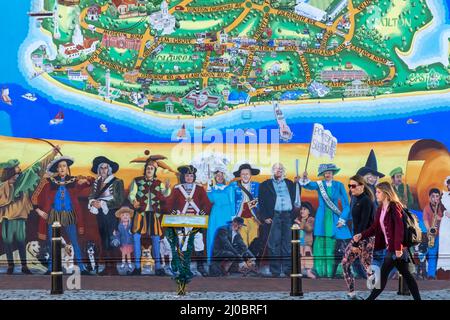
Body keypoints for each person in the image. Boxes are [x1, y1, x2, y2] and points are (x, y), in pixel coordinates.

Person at [353, 182, 421, 300]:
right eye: (376, 192)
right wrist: (361, 235)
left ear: (386, 193)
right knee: (405, 276)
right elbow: (375, 227)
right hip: (392, 249)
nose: (376, 194)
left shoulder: (395, 206)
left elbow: (399, 228)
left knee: (387, 276)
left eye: (379, 192)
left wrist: (398, 248)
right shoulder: (380, 209)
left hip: (396, 249)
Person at [0, 148, 59, 274]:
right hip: (8, 218)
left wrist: (52, 154)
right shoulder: (4, 185)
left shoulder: (23, 182)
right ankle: (10, 266)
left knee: (21, 242)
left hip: (20, 218)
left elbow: (39, 167)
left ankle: (24, 266)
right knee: (8, 243)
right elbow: (3, 200)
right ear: (10, 173)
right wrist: (10, 187)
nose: (18, 174)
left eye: (19, 172)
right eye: (16, 172)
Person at [32, 156, 91, 275]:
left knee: (74, 241)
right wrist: (38, 210)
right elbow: (34, 196)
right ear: (57, 169)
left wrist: (85, 180)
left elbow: (90, 181)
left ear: (67, 168)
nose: (62, 168)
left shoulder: (74, 181)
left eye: (64, 166)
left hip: (69, 215)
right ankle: (51, 268)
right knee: (53, 242)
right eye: (59, 166)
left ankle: (82, 268)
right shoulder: (49, 182)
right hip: (54, 215)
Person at [300, 163, 351, 278]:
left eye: (330, 172)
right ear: (323, 174)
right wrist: (304, 179)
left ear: (333, 173)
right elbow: (309, 185)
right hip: (322, 217)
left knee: (333, 244)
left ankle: (332, 272)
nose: (327, 174)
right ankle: (320, 271)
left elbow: (346, 205)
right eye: (325, 172)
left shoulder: (339, 185)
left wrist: (342, 219)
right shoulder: (319, 184)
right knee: (320, 244)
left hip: (334, 217)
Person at [165, 165, 211, 277]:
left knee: (198, 242)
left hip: (196, 220)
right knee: (183, 242)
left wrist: (204, 211)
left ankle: (200, 266)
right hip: (182, 220)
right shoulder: (177, 189)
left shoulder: (199, 189)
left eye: (191, 175)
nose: (189, 177)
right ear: (183, 176)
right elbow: (170, 203)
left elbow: (206, 203)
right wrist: (173, 211)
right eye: (187, 175)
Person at [128, 156, 171, 276]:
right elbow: (132, 194)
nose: (149, 170)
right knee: (136, 237)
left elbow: (165, 194)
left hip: (154, 214)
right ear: (145, 169)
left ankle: (158, 267)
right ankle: (137, 267)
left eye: (152, 168)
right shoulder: (137, 181)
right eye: (148, 168)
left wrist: (167, 188)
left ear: (154, 171)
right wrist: (133, 201)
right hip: (140, 213)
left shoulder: (159, 183)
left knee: (156, 239)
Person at [258, 163, 301, 277]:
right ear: (272, 171)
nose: (279, 170)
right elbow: (261, 203)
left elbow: (297, 198)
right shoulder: (265, 185)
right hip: (274, 216)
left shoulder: (290, 183)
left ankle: (287, 270)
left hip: (287, 215)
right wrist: (264, 217)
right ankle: (275, 271)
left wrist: (298, 184)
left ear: (284, 171)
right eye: (276, 169)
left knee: (287, 243)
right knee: (274, 244)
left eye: (281, 169)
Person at [88, 156, 125, 275]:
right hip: (100, 214)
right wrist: (93, 202)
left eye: (105, 168)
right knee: (104, 239)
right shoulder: (96, 182)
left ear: (109, 169)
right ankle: (106, 267)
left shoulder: (118, 182)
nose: (103, 170)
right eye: (101, 168)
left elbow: (119, 200)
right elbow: (92, 195)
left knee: (113, 239)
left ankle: (113, 267)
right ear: (99, 170)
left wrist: (103, 203)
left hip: (112, 214)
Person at [341, 175, 376, 300]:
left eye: (354, 186)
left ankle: (375, 291)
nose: (351, 188)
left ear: (362, 186)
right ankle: (351, 293)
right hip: (357, 236)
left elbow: (363, 223)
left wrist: (356, 243)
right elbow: (356, 223)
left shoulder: (366, 201)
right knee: (345, 263)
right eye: (349, 186)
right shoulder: (354, 199)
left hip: (366, 237)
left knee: (367, 266)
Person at [229, 163, 261, 247]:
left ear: (250, 174)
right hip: (240, 219)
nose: (245, 176)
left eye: (247, 174)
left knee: (253, 240)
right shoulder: (234, 186)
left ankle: (251, 258)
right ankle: (244, 259)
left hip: (253, 218)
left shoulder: (257, 185)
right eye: (243, 174)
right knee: (242, 241)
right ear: (240, 175)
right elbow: (231, 201)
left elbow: (261, 200)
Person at [206, 167, 233, 264]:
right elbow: (210, 200)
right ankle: (213, 263)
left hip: (228, 214)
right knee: (213, 236)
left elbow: (232, 201)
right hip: (216, 215)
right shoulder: (211, 189)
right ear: (215, 177)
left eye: (222, 175)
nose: (220, 177)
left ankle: (228, 265)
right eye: (218, 175)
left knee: (228, 238)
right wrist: (209, 188)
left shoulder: (230, 188)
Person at [423, 188, 445, 279]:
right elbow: (425, 220)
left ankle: (441, 274)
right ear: (429, 197)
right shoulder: (427, 208)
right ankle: (431, 275)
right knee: (432, 254)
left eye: (437, 196)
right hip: (433, 235)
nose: (435, 198)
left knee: (442, 255)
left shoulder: (443, 206)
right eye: (433, 196)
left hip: (444, 235)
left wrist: (441, 218)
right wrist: (429, 231)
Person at [294, 201, 316, 279]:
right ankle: (300, 270)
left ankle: (309, 272)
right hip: (300, 243)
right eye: (301, 209)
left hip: (307, 243)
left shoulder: (311, 219)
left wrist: (301, 221)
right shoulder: (299, 219)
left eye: (304, 209)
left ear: (309, 211)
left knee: (308, 256)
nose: (302, 211)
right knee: (300, 255)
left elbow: (309, 229)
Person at [113, 207, 134, 271]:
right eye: (123, 215)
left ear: (129, 216)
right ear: (120, 217)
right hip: (123, 242)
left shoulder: (131, 225)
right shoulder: (120, 225)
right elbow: (119, 234)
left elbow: (134, 232)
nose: (125, 216)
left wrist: (132, 232)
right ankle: (123, 263)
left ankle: (129, 263)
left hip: (129, 242)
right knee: (123, 253)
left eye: (127, 215)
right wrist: (116, 234)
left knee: (128, 254)